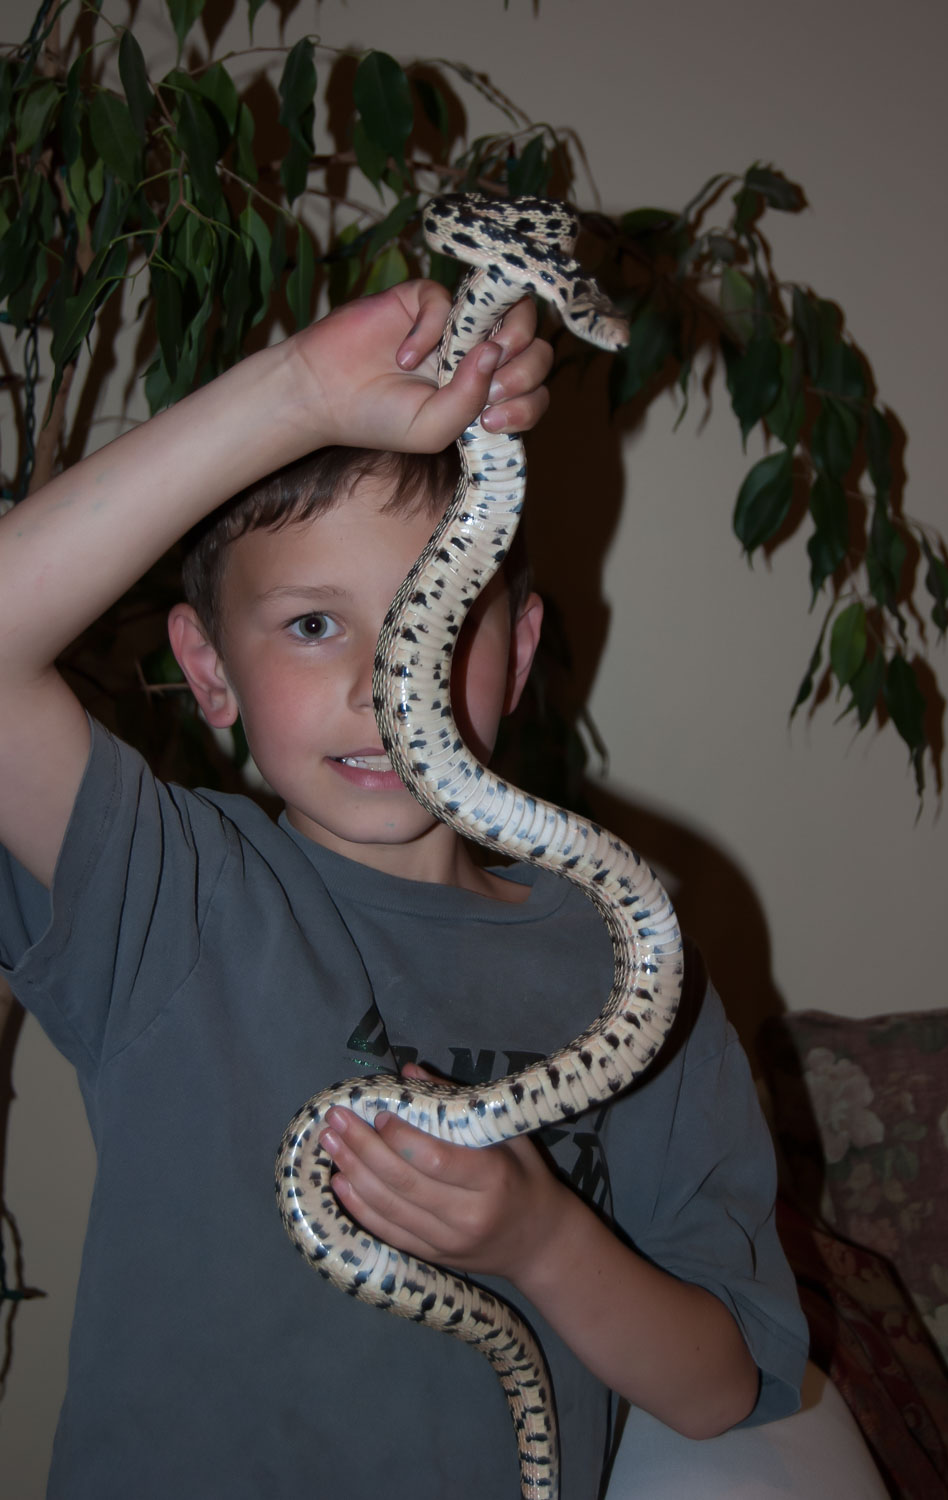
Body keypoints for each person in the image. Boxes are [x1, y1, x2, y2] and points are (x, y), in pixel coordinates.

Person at [0, 279, 807, 1499]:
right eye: (315, 625)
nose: (392, 685)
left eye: (445, 616)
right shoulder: (176, 892)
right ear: (207, 673)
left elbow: (720, 1386)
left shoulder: (629, 967)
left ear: (521, 650)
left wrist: (540, 1242)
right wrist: (299, 393)